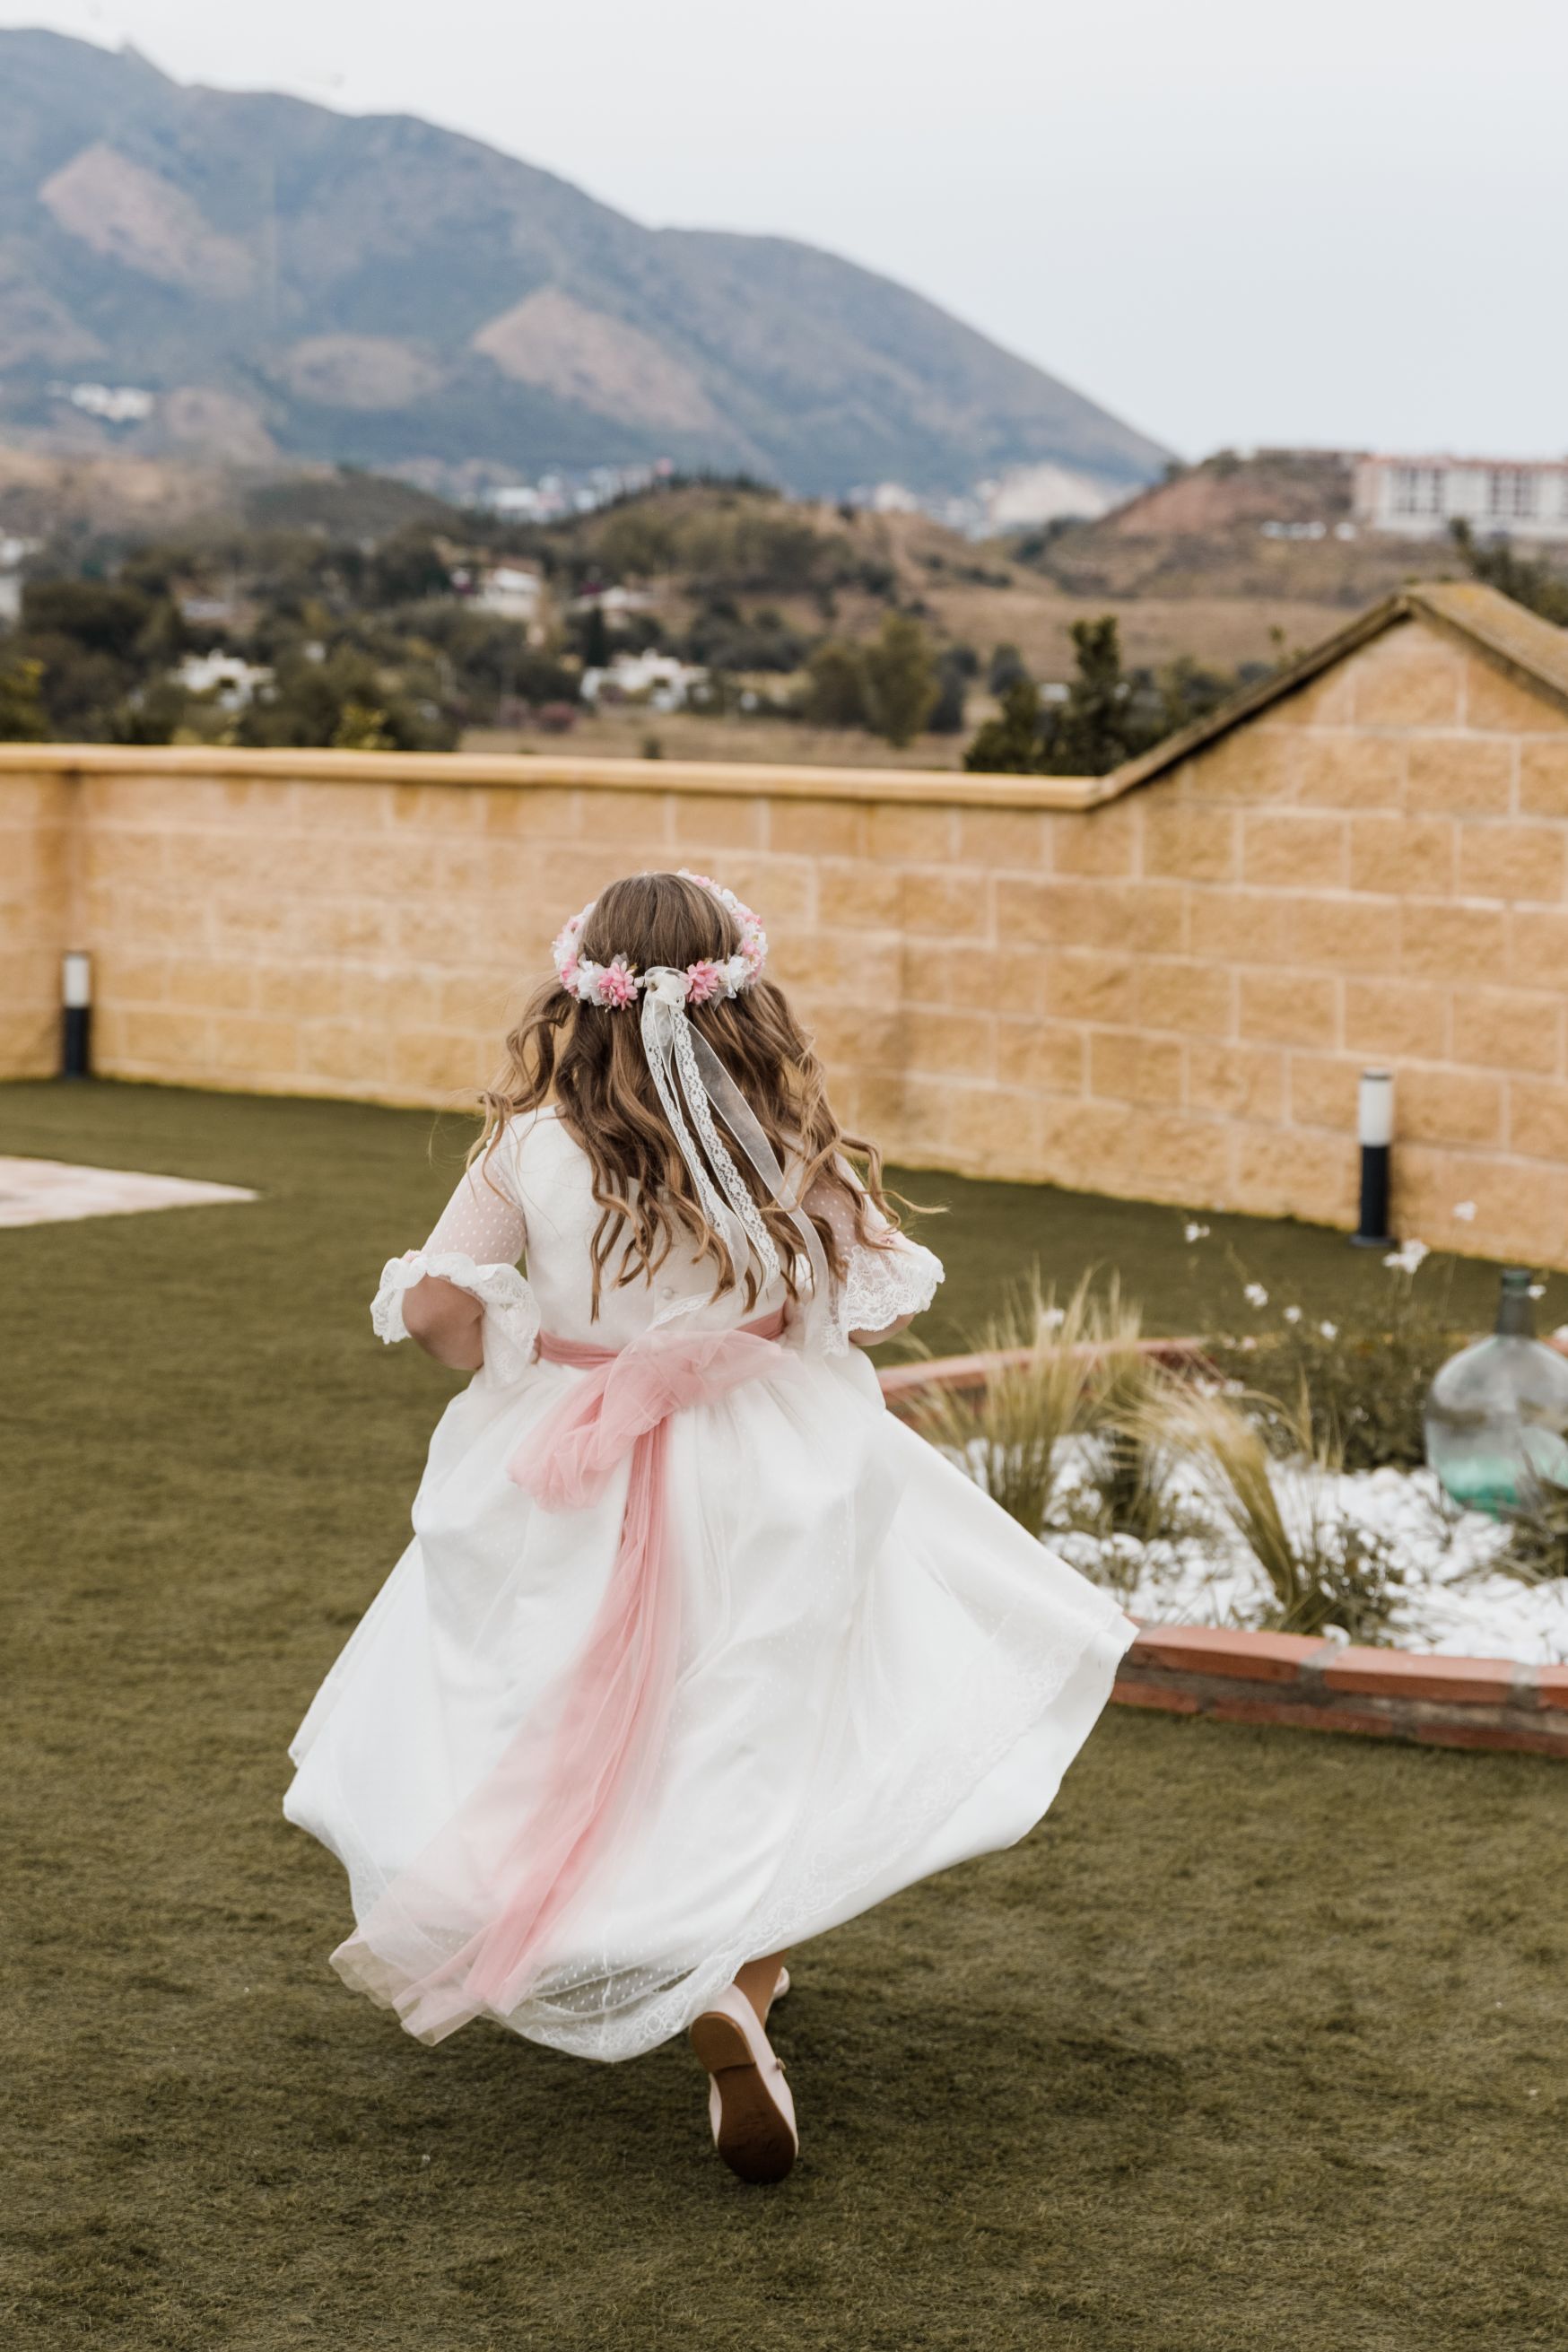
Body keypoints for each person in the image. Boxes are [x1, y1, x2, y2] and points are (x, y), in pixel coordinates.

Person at [284, 867, 1134, 2185]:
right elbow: (881, 1296)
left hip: (575, 1462)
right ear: (742, 999)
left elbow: (447, 1313)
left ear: (580, 994)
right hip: (767, 1466)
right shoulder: (780, 1141)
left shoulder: (532, 1146)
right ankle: (739, 1969)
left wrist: (532, 1335)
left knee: (575, 1714)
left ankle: (652, 1945)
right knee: (760, 1718)